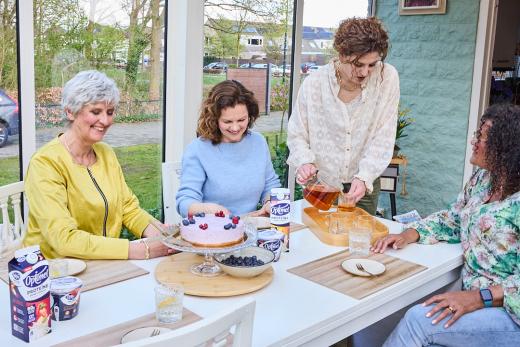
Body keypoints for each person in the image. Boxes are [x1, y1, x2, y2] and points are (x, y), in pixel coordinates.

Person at [372, 103, 520, 346]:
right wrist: (410, 233)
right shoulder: (484, 179)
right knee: (387, 313)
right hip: (476, 297)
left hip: (508, 315)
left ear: (504, 147)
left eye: (482, 137)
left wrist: (477, 298)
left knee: (419, 321)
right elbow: (454, 218)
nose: (474, 142)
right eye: (477, 134)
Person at [23, 70, 172, 260]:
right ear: (70, 111)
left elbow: (128, 209)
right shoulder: (45, 163)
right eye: (96, 112)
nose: (106, 120)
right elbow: (63, 239)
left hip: (102, 262)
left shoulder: (106, 153)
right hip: (50, 272)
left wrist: (163, 236)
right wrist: (139, 250)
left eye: (110, 112)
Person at [287, 17, 399, 215]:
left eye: (372, 64)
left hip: (363, 187)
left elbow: (384, 134)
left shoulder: (387, 78)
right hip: (322, 187)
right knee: (318, 241)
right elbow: (297, 133)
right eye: (358, 64)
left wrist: (364, 177)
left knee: (359, 241)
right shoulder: (315, 84)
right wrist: (304, 161)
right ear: (341, 54)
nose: (365, 72)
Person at [176, 80, 280, 217]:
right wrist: (208, 209)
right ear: (214, 119)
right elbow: (184, 202)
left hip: (252, 227)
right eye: (227, 122)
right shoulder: (197, 150)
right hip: (212, 230)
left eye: (242, 120)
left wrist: (270, 203)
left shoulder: (258, 142)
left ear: (250, 116)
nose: (235, 128)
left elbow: (270, 184)